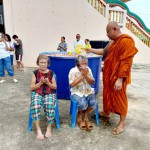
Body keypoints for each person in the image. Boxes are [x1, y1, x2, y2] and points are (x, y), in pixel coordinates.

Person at [84, 21, 138, 135]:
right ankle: (107, 112)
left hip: (119, 77)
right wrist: (90, 50)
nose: (107, 35)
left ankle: (122, 123)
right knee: (107, 94)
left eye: (108, 32)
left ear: (114, 29)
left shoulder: (126, 41)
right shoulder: (112, 42)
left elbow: (126, 62)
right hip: (109, 75)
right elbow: (103, 52)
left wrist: (120, 79)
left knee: (120, 98)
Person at [30, 55, 57, 140]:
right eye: (41, 62)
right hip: (38, 92)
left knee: (49, 105)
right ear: (38, 63)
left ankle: (49, 128)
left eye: (44, 62)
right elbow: (32, 87)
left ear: (47, 63)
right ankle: (38, 129)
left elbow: (54, 87)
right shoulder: (34, 73)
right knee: (35, 105)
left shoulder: (51, 73)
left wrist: (48, 83)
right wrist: (40, 83)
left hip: (49, 93)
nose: (42, 64)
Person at [68, 55, 97, 130]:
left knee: (94, 102)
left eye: (86, 63)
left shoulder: (88, 70)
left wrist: (86, 76)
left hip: (87, 90)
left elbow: (93, 82)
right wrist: (82, 76)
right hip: (76, 91)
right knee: (82, 103)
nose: (85, 65)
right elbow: (72, 84)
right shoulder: (73, 71)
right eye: (83, 63)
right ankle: (80, 114)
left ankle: (86, 114)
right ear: (78, 64)